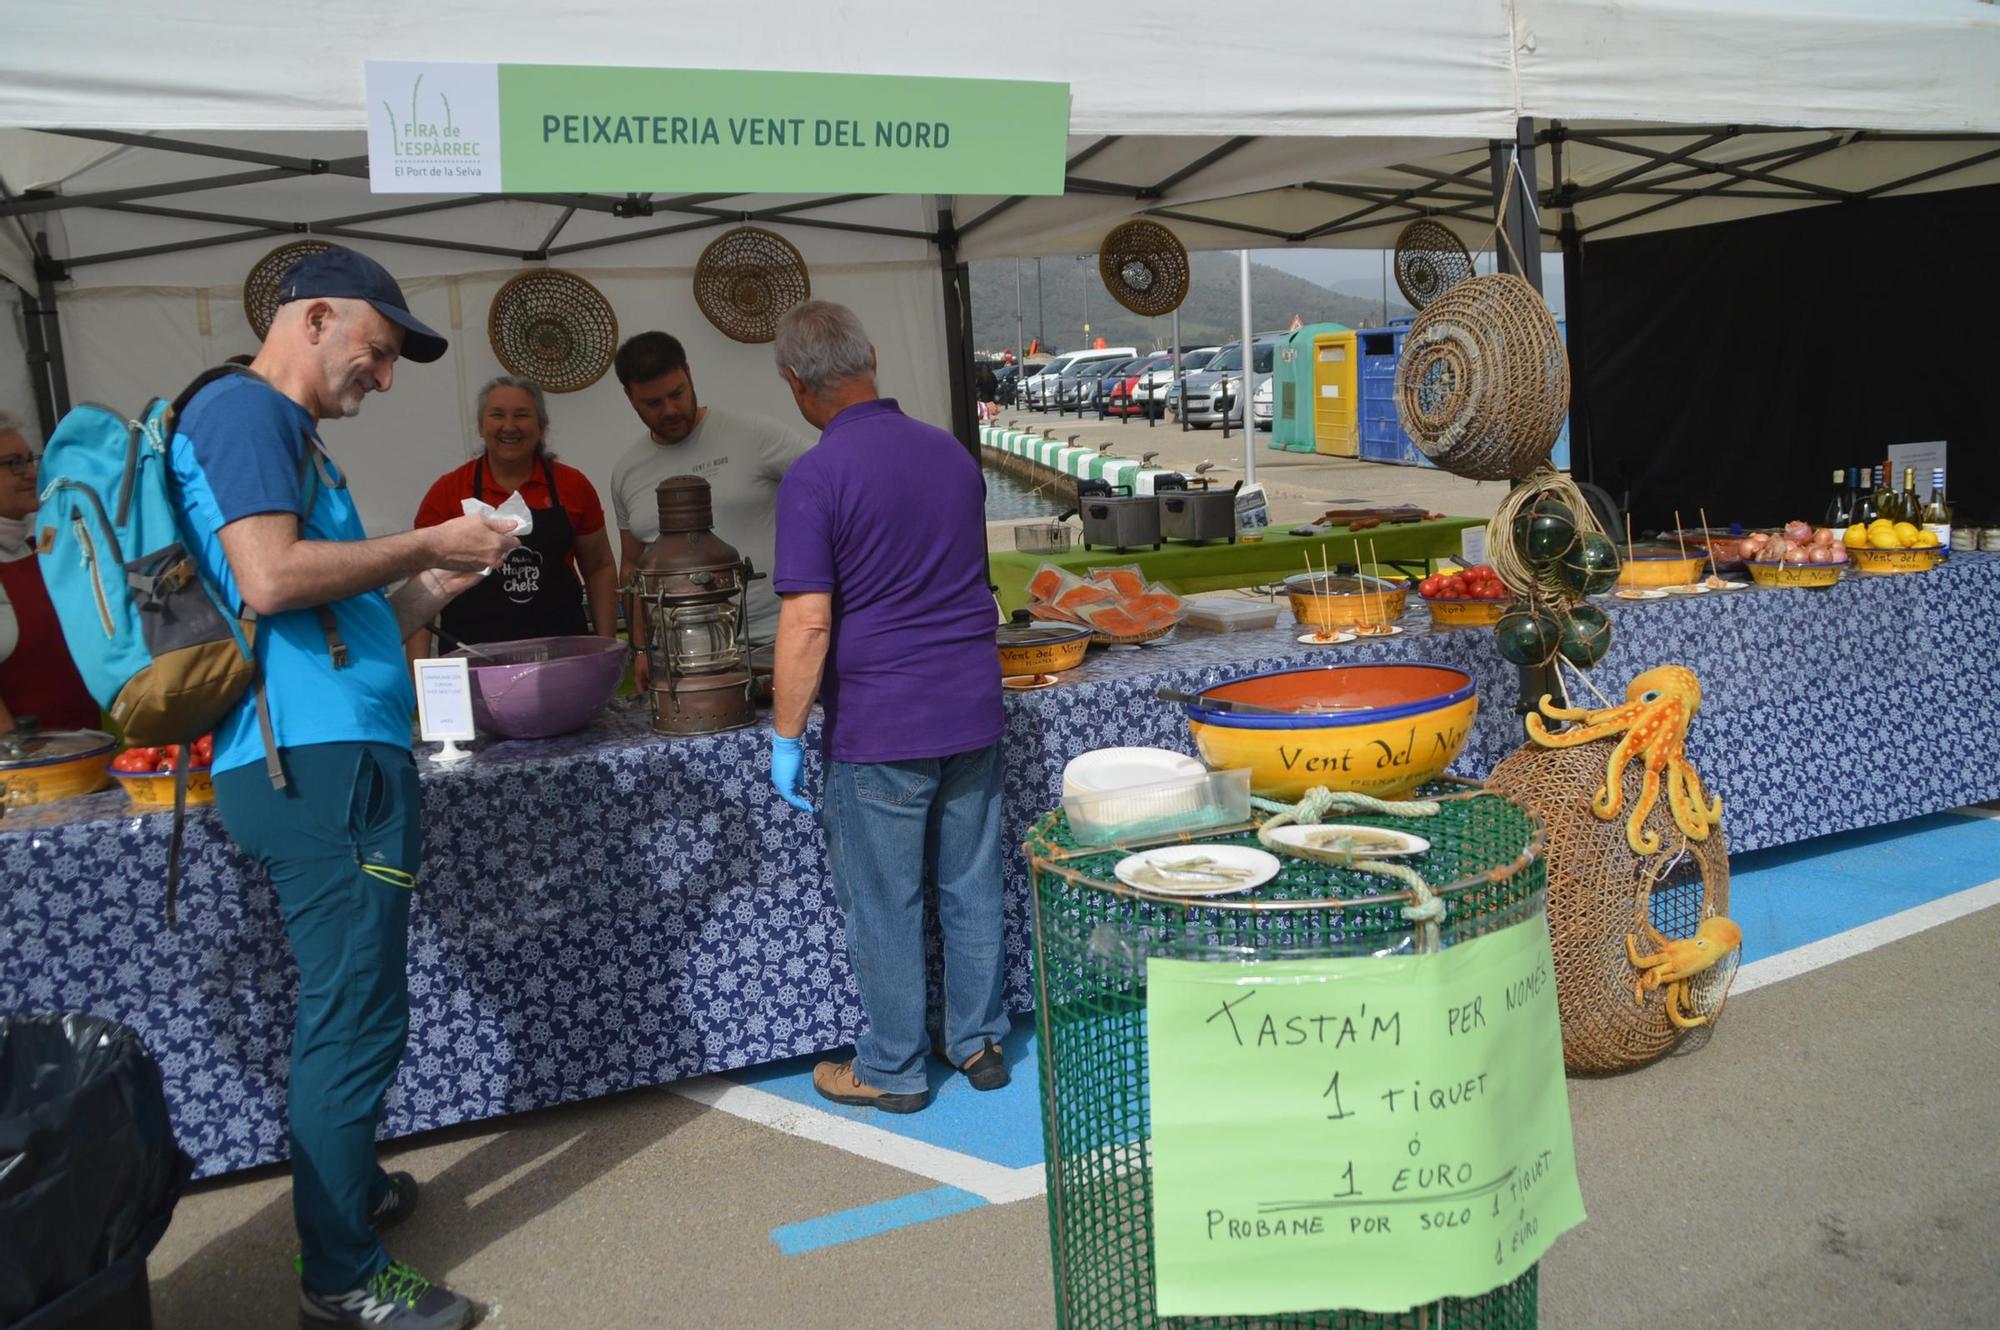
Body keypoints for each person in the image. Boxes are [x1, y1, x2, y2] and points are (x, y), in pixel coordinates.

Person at [171, 246, 516, 1330]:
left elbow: (335, 615)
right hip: (310, 763)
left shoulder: (282, 431)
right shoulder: (247, 412)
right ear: (314, 316)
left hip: (324, 749)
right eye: (377, 348)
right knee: (355, 1012)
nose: (387, 372)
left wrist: (435, 578)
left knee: (357, 999)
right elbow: (271, 578)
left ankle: (352, 1190)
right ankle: (342, 1275)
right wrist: (423, 536)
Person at [767, 301, 1010, 1114]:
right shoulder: (950, 454)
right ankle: (977, 1041)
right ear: (871, 352)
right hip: (971, 705)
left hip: (882, 722)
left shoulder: (816, 476)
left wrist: (786, 734)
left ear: (796, 384)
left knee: (884, 901)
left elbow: (807, 621)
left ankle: (893, 1068)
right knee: (970, 884)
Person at [609, 331, 810, 685]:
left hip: (777, 644)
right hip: (681, 660)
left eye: (677, 394)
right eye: (653, 403)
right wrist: (640, 649)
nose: (670, 410)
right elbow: (632, 565)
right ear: (629, 398)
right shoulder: (627, 472)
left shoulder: (755, 435)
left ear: (689, 373)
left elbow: (834, 480)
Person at [409, 376, 617, 654]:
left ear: (541, 427)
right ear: (481, 426)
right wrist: (417, 680)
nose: (509, 426)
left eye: (522, 415)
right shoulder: (447, 493)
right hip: (472, 659)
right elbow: (422, 589)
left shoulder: (573, 486)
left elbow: (599, 567)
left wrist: (606, 647)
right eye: (497, 415)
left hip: (561, 657)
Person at [0, 416, 99, 735]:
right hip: (28, 773)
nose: (31, 473)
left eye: (30, 459)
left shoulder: (41, 547)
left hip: (92, 750)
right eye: (14, 463)